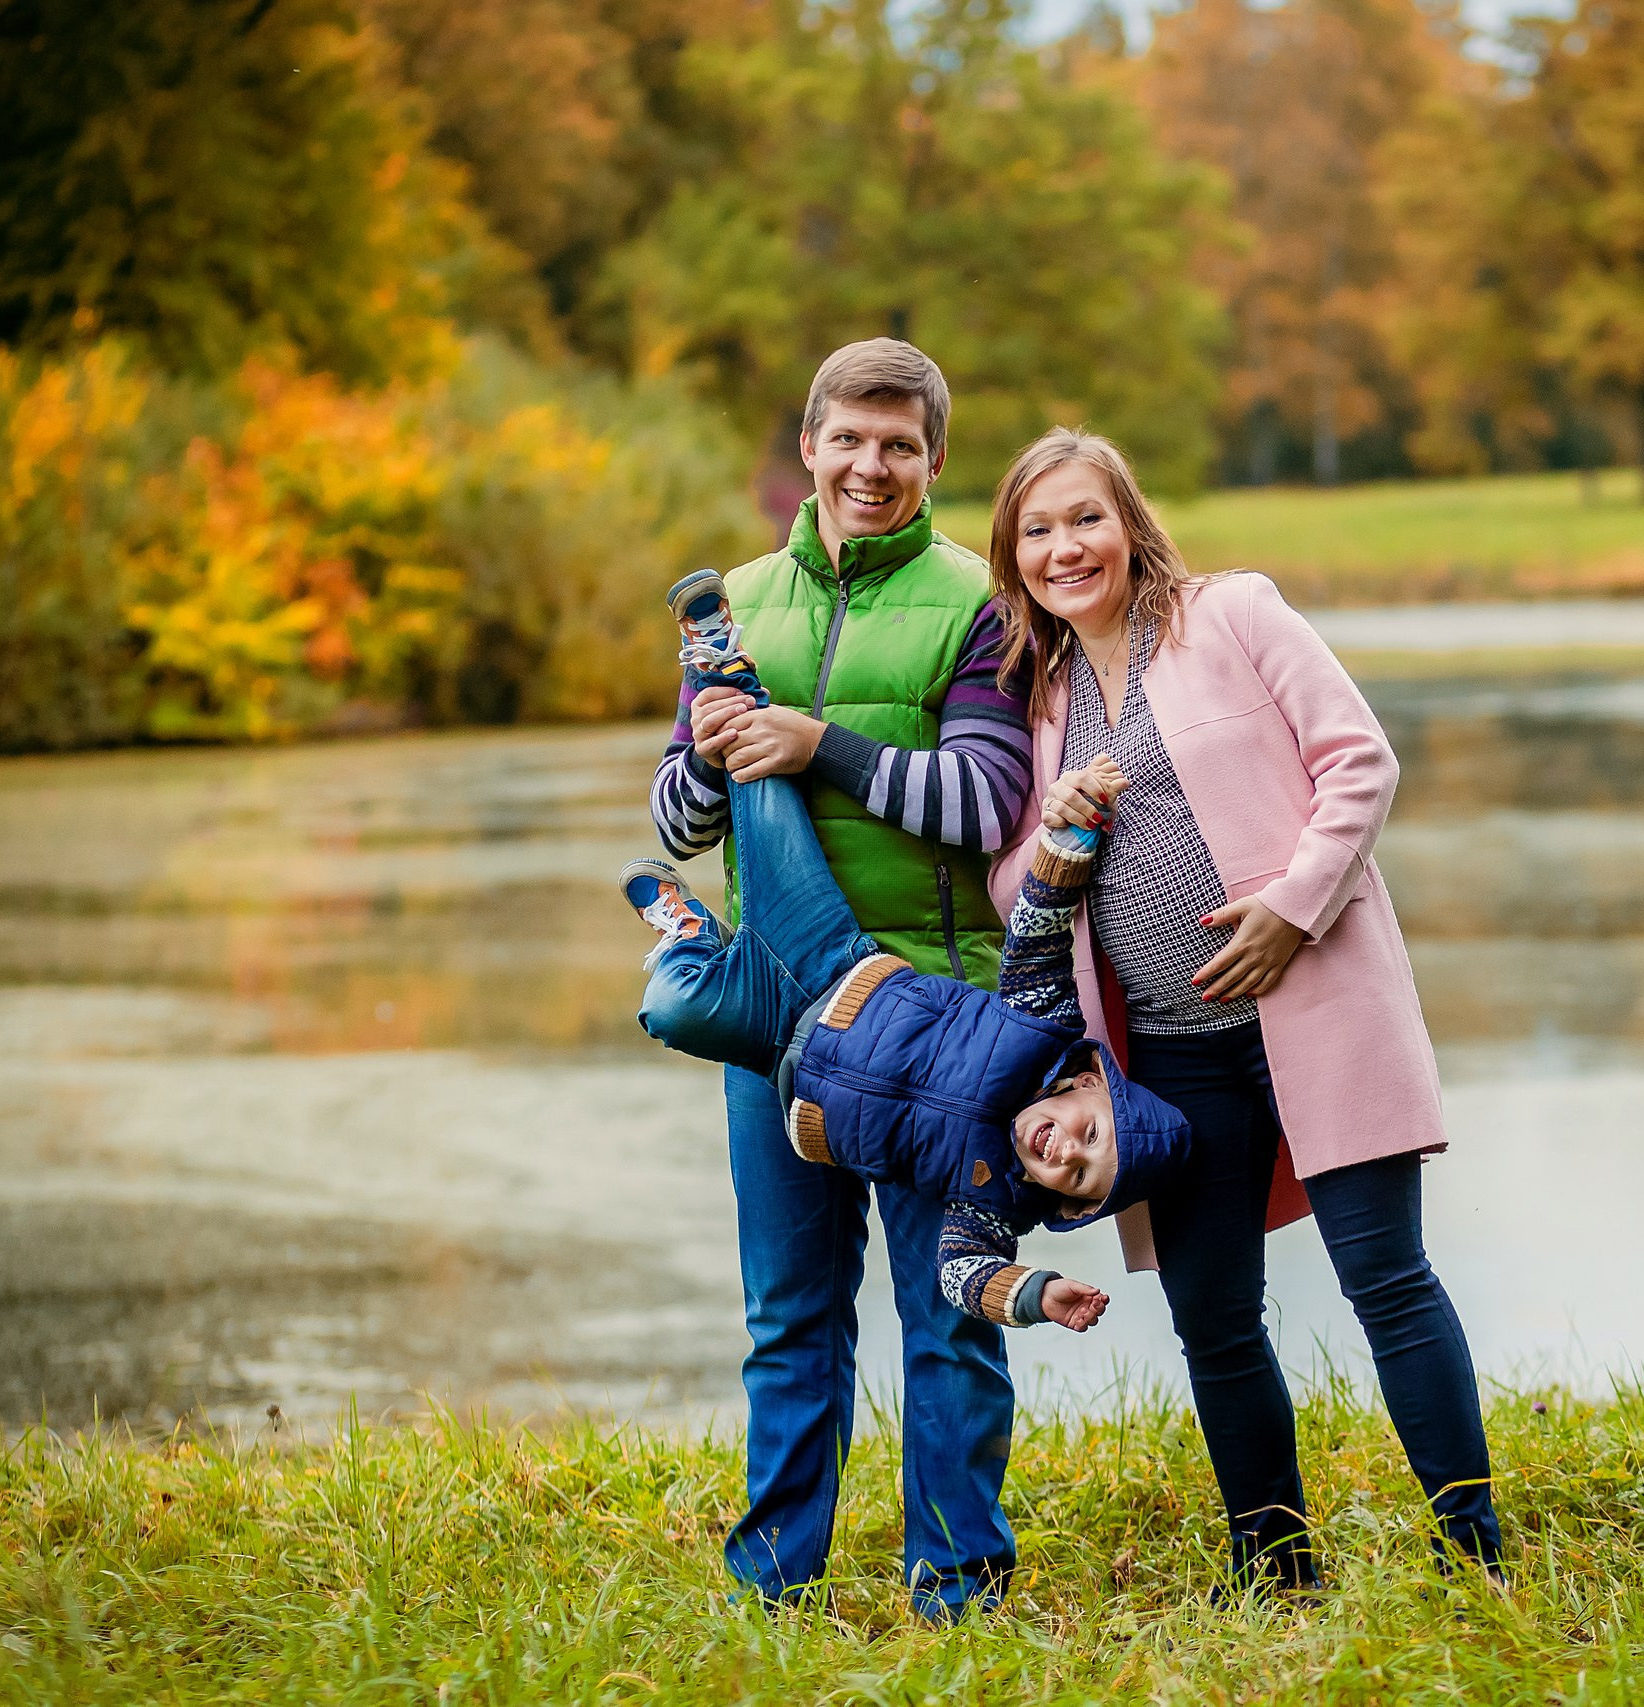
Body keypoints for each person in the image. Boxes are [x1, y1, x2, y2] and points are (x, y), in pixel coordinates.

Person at [984, 426, 1505, 1593]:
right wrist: (1053, 832)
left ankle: (1473, 1555)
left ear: (1130, 523)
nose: (1066, 547)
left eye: (1085, 518)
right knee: (1212, 1319)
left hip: (1317, 1011)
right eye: (1038, 529)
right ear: (1012, 557)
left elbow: (1358, 763)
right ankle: (1276, 1571)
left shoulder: (1232, 615)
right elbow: (1011, 888)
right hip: (1167, 1064)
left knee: (1389, 1282)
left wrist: (1293, 909)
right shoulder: (1040, 696)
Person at [644, 339, 1035, 1619]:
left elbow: (983, 803)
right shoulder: (737, 603)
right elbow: (676, 823)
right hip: (782, 1024)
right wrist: (710, 756)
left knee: (950, 1317)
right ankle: (773, 1590)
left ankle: (958, 1590)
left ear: (933, 463)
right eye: (849, 441)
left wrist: (817, 744)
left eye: (900, 447)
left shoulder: (983, 602)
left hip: (940, 1018)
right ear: (806, 447)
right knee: (790, 1318)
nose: (872, 467)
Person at [625, 615, 1187, 1337]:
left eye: (1075, 1175)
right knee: (761, 774)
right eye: (1088, 1134)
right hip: (836, 961)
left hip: (779, 1048)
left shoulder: (995, 1199)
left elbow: (961, 1272)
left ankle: (691, 933)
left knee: (671, 1006)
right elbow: (1040, 929)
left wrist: (1032, 1291)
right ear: (1087, 1086)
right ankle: (726, 669)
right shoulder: (1043, 1028)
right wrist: (1072, 838)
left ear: (1064, 1204)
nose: (1064, 1149)